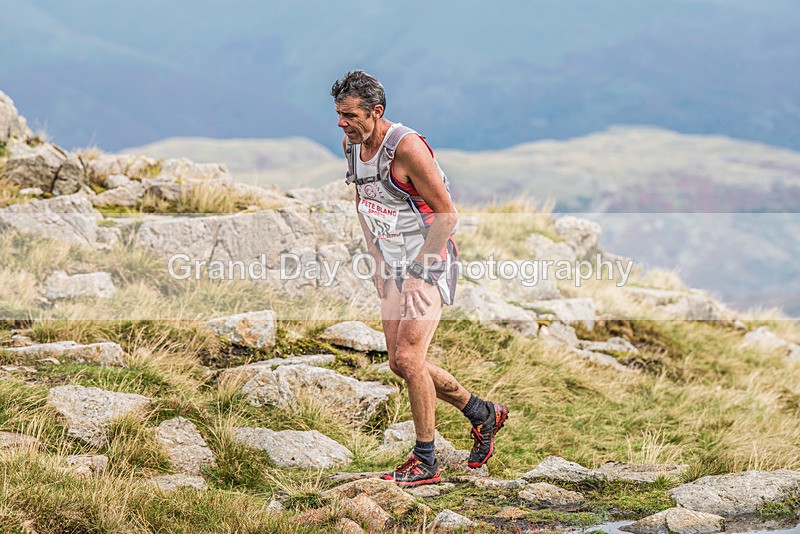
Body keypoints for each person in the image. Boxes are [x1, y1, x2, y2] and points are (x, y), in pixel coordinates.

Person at [330, 70, 509, 486]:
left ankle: (425, 460)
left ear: (377, 112)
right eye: (338, 114)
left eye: (350, 115)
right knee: (399, 362)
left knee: (410, 359)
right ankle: (482, 413)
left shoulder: (406, 149)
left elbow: (447, 215)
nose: (341, 123)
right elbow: (363, 200)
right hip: (391, 261)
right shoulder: (352, 145)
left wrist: (418, 273)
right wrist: (375, 259)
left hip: (430, 257)